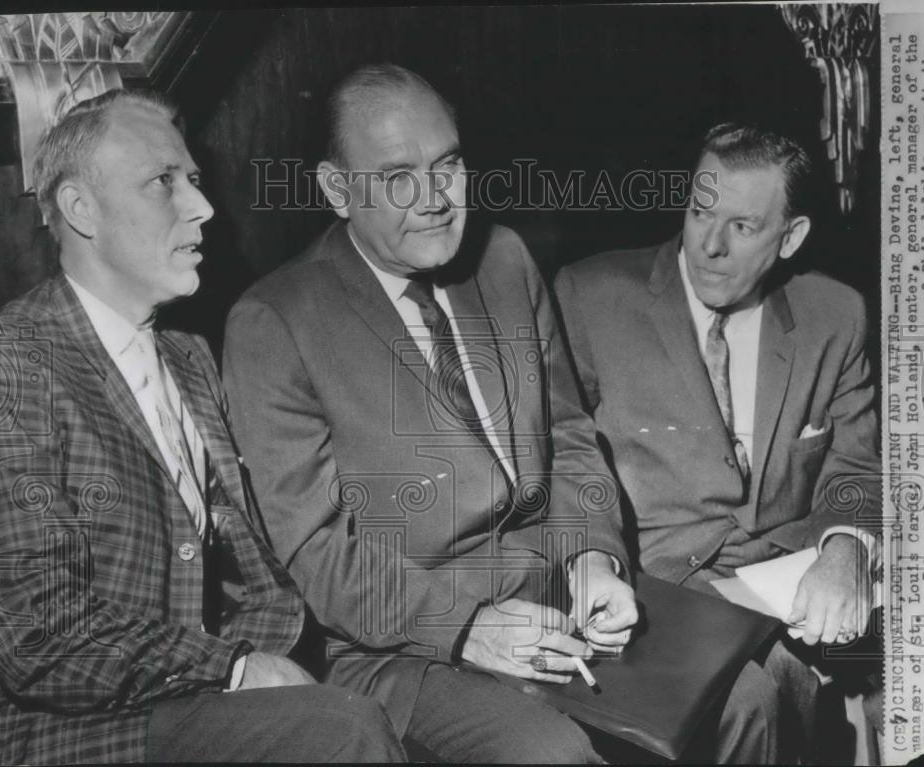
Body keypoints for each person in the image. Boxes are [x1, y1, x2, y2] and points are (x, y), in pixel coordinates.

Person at [0, 89, 405, 765]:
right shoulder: (0, 363)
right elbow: (35, 631)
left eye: (194, 181)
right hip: (51, 728)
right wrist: (233, 668)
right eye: (162, 183)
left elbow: (250, 566)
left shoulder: (188, 355)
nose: (202, 208)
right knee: (341, 729)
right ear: (79, 209)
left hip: (182, 690)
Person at [222, 64, 637, 763]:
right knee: (553, 756)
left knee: (750, 692)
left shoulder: (502, 257)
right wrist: (468, 623)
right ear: (337, 190)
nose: (436, 199)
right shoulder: (274, 321)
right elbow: (318, 553)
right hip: (406, 647)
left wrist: (595, 556)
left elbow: (566, 432)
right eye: (396, 177)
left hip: (555, 591)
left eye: (448, 166)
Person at [554, 123, 881, 762]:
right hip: (661, 592)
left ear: (791, 238)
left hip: (788, 579)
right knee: (761, 695)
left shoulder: (835, 314)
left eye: (743, 227)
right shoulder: (590, 297)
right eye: (701, 211)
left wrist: (843, 548)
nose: (708, 245)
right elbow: (566, 457)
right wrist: (594, 559)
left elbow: (855, 459)